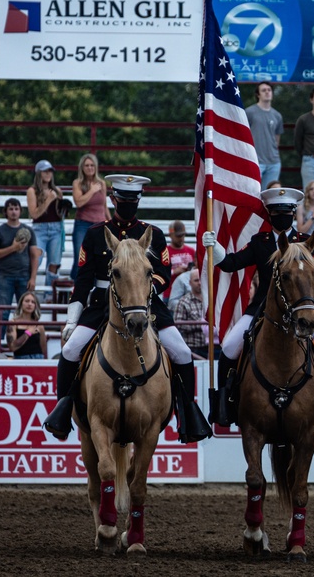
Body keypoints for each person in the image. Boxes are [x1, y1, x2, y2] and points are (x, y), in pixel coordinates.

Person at [44, 175, 210, 444]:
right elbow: (83, 281)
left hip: (147, 305)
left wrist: (143, 290)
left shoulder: (152, 234)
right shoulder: (96, 234)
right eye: (124, 200)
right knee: (70, 350)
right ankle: (63, 412)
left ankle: (187, 413)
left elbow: (163, 273)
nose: (128, 205)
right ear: (113, 200)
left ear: (138, 200)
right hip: (102, 305)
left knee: (180, 352)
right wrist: (72, 320)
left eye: (133, 200)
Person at [203, 188, 314, 427]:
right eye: (276, 212)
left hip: (301, 309)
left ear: (293, 213)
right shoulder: (260, 242)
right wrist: (215, 250)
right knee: (229, 350)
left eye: (286, 212)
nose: (281, 217)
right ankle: (226, 405)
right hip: (262, 309)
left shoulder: (306, 243)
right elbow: (232, 264)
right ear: (269, 214)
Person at [0, 198, 40, 339]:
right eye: (10, 209)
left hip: (24, 275)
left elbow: (34, 255)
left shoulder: (28, 230)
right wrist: (13, 248)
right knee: (3, 312)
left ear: (20, 211)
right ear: (6, 212)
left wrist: (33, 277)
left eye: (16, 209)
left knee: (27, 312)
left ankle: (26, 343)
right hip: (5, 275)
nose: (14, 212)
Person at [26, 159, 66, 291]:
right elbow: (34, 214)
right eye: (45, 171)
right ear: (39, 173)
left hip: (56, 228)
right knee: (36, 259)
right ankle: (30, 290)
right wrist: (48, 200)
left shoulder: (57, 191)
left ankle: (50, 295)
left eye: (50, 171)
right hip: (39, 228)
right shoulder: (32, 191)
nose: (48, 174)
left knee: (54, 263)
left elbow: (60, 214)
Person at [70, 153, 110, 281]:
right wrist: (92, 190)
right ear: (82, 167)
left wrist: (111, 222)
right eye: (87, 165)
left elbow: (104, 206)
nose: (90, 168)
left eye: (92, 165)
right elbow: (79, 202)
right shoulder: (77, 183)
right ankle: (77, 287)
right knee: (80, 257)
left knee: (99, 258)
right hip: (83, 224)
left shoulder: (102, 183)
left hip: (100, 225)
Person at [246, 81, 284, 189]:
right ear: (258, 94)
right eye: (263, 90)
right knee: (254, 192)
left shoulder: (277, 115)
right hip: (255, 160)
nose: (267, 92)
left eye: (269, 90)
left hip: (274, 162)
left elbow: (277, 139)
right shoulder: (249, 112)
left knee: (270, 195)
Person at [172, 268, 214, 359]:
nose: (199, 283)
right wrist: (201, 324)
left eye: (201, 280)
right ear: (190, 283)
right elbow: (178, 326)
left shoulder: (213, 299)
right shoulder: (183, 302)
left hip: (213, 346)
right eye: (196, 280)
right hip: (193, 348)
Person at [6, 291, 46, 360]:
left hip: (38, 359)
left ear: (35, 306)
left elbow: (43, 348)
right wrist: (28, 333)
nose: (30, 304)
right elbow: (12, 347)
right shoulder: (13, 323)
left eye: (33, 302)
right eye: (27, 301)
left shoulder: (39, 325)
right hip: (20, 360)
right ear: (21, 303)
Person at [165, 220, 195, 301]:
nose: (181, 238)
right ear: (170, 235)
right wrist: (174, 271)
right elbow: (160, 273)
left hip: (189, 293)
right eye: (178, 236)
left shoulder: (191, 251)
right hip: (171, 294)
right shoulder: (165, 252)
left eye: (183, 235)